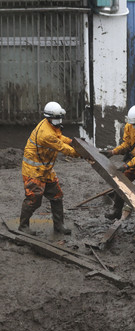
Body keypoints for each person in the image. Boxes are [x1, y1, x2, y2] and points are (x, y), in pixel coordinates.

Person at [19, 101, 80, 235]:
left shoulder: (51, 125)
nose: (58, 121)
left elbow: (60, 138)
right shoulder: (45, 133)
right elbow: (61, 147)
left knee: (57, 196)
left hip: (46, 169)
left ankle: (59, 226)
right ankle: (23, 226)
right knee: (33, 199)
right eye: (56, 118)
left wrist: (72, 142)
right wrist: (80, 153)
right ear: (48, 117)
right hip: (33, 171)